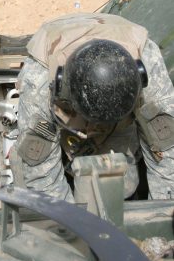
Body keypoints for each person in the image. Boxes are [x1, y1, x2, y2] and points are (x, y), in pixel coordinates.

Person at [12, 12, 174, 201]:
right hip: (60, 66)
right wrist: (68, 225)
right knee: (28, 169)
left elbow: (168, 154)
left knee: (124, 176)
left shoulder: (148, 65)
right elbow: (40, 173)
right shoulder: (39, 81)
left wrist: (159, 219)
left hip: (123, 111)